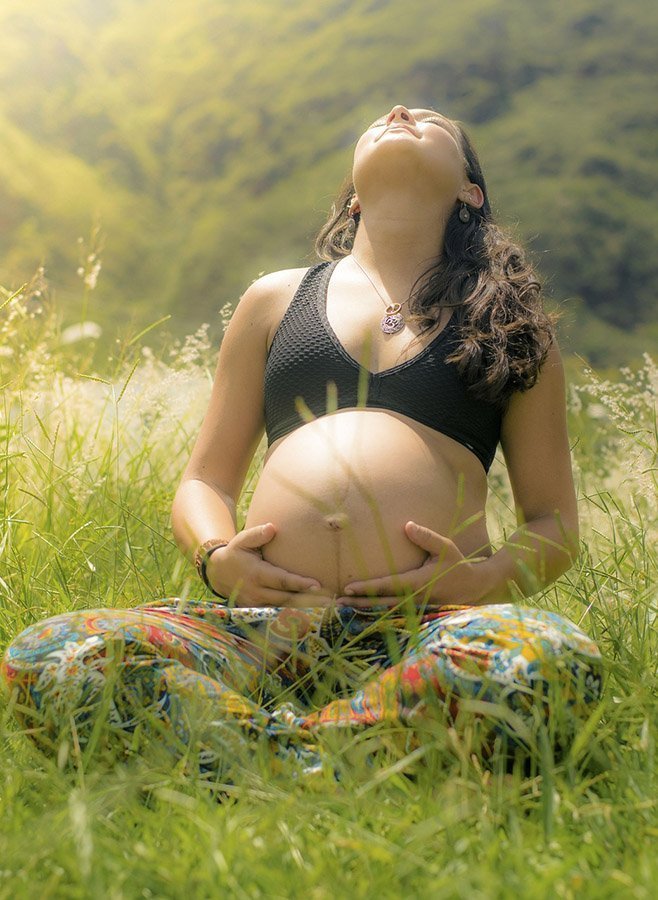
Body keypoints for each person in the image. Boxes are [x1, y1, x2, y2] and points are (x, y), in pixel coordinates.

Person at [1, 105, 603, 777]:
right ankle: (352, 754)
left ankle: (250, 756)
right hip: (263, 628)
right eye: (386, 116)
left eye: (431, 120)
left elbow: (552, 522)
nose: (401, 112)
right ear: (351, 196)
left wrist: (484, 579)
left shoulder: (510, 322)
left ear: (471, 191)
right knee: (51, 652)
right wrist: (215, 559)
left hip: (429, 630)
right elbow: (205, 480)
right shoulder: (276, 300)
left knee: (546, 655)